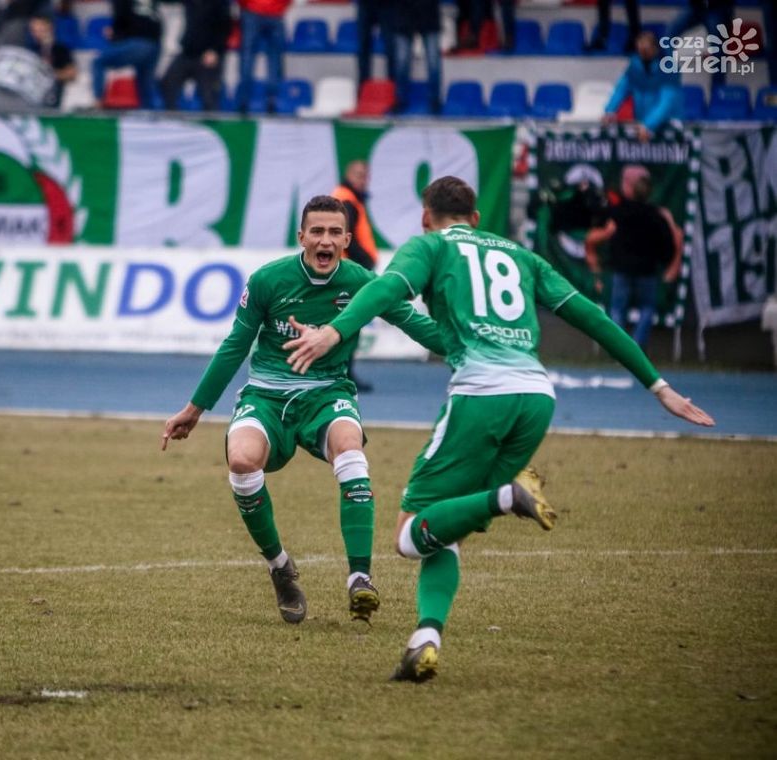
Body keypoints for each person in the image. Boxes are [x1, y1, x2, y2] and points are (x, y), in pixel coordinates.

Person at [284, 176, 714, 682]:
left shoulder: (430, 245)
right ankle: (426, 638)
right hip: (536, 398)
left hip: (482, 395)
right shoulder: (519, 254)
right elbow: (591, 317)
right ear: (477, 218)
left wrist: (333, 330)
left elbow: (385, 290)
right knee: (445, 529)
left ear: (427, 217)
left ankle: (508, 498)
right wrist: (657, 385)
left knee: (406, 535)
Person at [161, 195, 446, 625]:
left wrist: (468, 348)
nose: (325, 240)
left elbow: (414, 323)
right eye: (317, 231)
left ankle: (360, 579)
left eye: (335, 232)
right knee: (241, 462)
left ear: (347, 239)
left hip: (327, 393)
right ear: (302, 237)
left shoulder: (363, 283)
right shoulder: (268, 281)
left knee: (350, 449)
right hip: (266, 395)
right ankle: (280, 567)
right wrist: (195, 408)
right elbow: (235, 345)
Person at [585, 165, 682, 351]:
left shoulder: (618, 213)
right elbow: (666, 245)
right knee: (647, 308)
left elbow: (605, 236)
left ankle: (620, 348)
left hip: (622, 270)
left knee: (617, 309)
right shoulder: (656, 215)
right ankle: (636, 346)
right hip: (647, 271)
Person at [331, 160, 380, 392]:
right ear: (348, 175)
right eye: (359, 175)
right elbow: (347, 238)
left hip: (346, 270)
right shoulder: (347, 200)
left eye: (366, 175)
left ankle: (343, 371)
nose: (364, 180)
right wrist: (365, 265)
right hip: (348, 272)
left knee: (346, 322)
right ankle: (344, 372)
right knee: (350, 323)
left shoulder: (349, 198)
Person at [602, 31, 683, 142]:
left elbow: (665, 103)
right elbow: (621, 89)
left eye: (646, 50)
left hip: (668, 125)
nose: (643, 54)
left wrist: (649, 125)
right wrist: (610, 111)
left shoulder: (669, 68)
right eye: (640, 51)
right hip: (641, 124)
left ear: (656, 49)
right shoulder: (635, 66)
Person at [159, 0, 230, 111]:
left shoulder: (219, 3)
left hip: (208, 54)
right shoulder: (190, 2)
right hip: (188, 52)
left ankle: (212, 124)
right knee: (168, 81)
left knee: (209, 96)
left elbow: (225, 27)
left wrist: (215, 51)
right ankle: (171, 117)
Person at [92, 0, 163, 109]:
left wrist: (114, 34)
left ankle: (98, 102)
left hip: (138, 42)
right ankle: (151, 115)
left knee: (98, 62)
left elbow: (120, 18)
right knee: (145, 84)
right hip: (155, 45)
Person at [236, 0, 290, 114]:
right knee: (274, 60)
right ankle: (272, 101)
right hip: (272, 13)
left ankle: (243, 103)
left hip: (254, 11)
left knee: (248, 57)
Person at [394, 0, 442, 113]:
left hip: (429, 14)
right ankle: (401, 99)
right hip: (404, 14)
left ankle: (435, 101)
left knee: (433, 62)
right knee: (401, 62)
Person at [27, 14, 77, 108]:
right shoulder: (31, 51)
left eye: (40, 30)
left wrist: (50, 75)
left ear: (49, 28)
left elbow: (72, 74)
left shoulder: (61, 49)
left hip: (55, 93)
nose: (36, 33)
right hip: (33, 94)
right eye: (34, 31)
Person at [355, 0, 397, 92]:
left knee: (391, 48)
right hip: (365, 4)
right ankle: (363, 89)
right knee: (363, 47)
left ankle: (393, 90)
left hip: (388, 5)